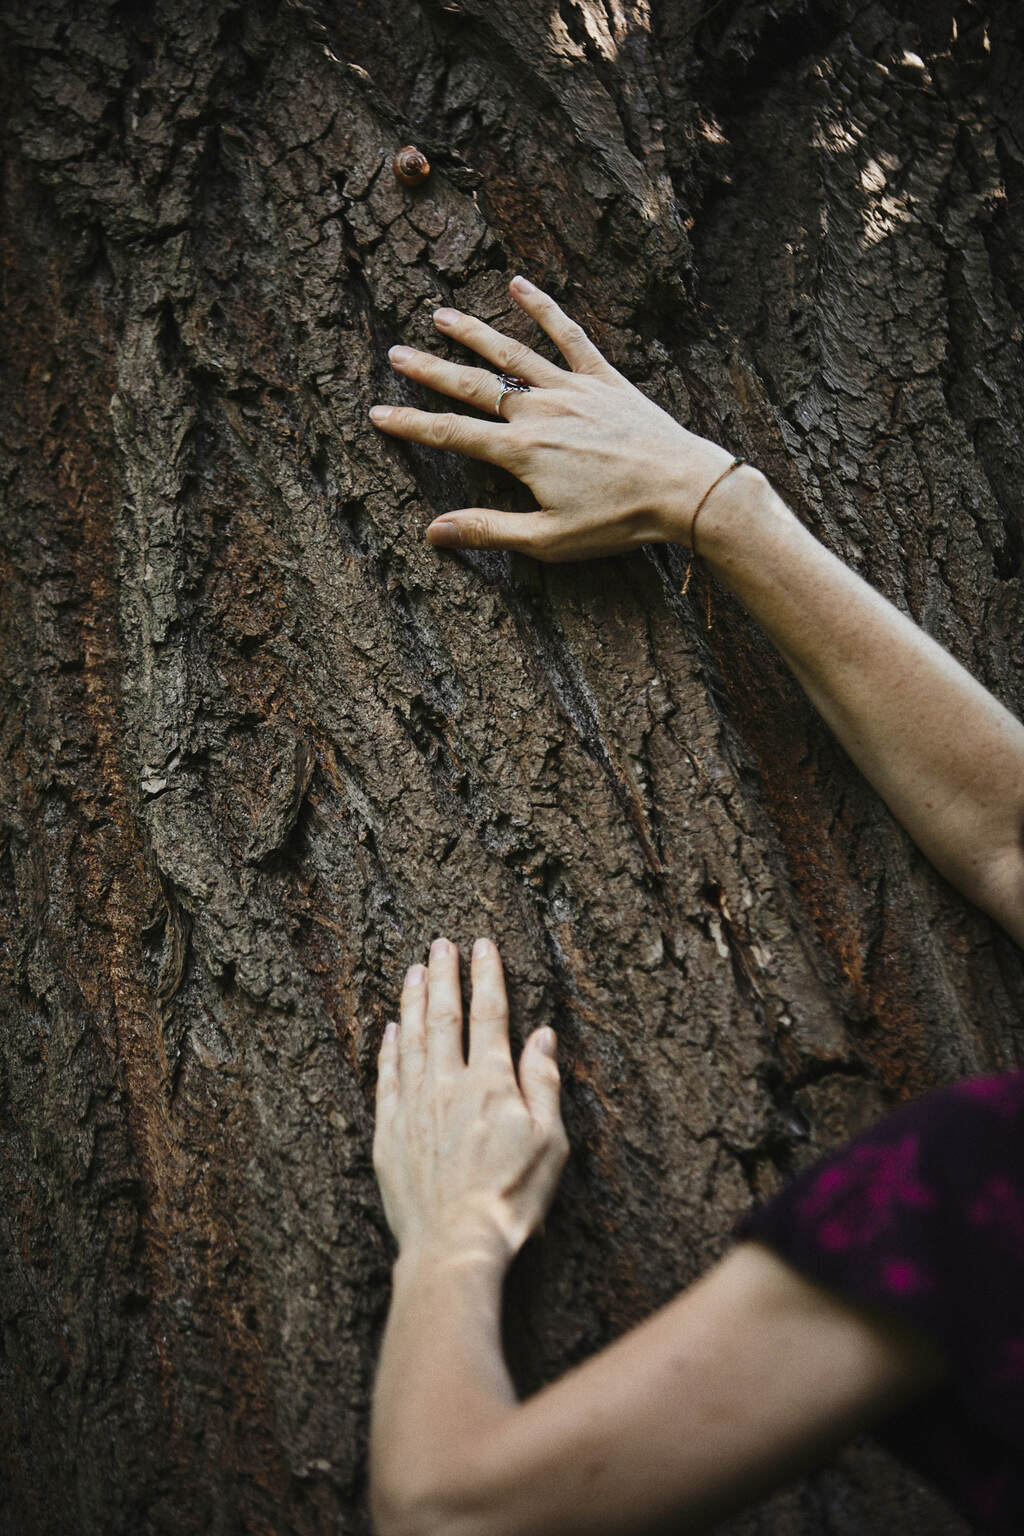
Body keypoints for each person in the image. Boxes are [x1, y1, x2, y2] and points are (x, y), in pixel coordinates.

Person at [367, 276, 1024, 1535]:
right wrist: (715, 503)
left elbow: (455, 1512)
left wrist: (451, 1236)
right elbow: (1004, 837)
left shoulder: (979, 1182)